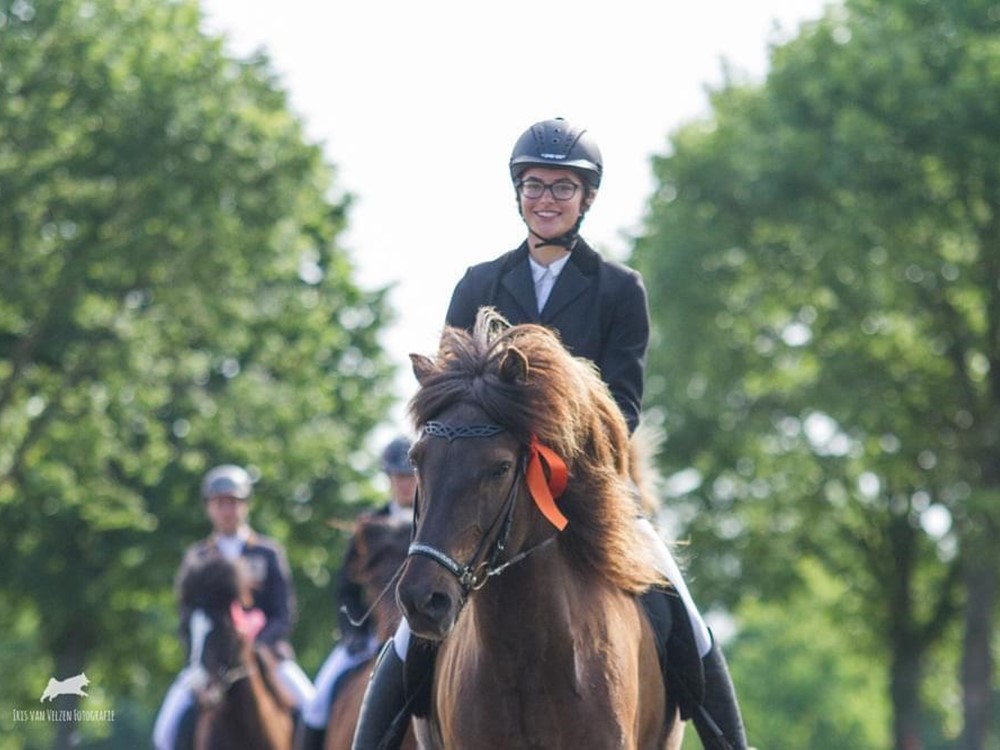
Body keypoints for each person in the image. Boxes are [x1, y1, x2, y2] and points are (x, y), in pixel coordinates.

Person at [351, 118, 748, 750]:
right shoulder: (478, 284)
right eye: (535, 184)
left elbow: (624, 403)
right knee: (410, 625)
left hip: (586, 493)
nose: (547, 199)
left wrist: (551, 440)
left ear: (586, 199)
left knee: (682, 608)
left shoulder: (619, 289)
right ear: (518, 192)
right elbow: (450, 393)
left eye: (563, 188)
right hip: (485, 487)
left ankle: (729, 740)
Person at [152, 464, 315, 750]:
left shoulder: (267, 553)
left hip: (266, 656)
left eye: (234, 502)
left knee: (312, 709)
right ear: (208, 508)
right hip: (210, 660)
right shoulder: (198, 558)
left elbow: (283, 613)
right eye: (220, 503)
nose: (227, 510)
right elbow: (187, 617)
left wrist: (255, 645)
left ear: (246, 505)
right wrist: (199, 655)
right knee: (165, 729)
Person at [300, 436, 417, 750]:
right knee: (316, 702)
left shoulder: (433, 523)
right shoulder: (368, 528)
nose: (405, 485)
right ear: (389, 478)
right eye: (399, 477)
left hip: (424, 630)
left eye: (411, 477)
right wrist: (352, 633)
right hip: (369, 637)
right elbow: (346, 592)